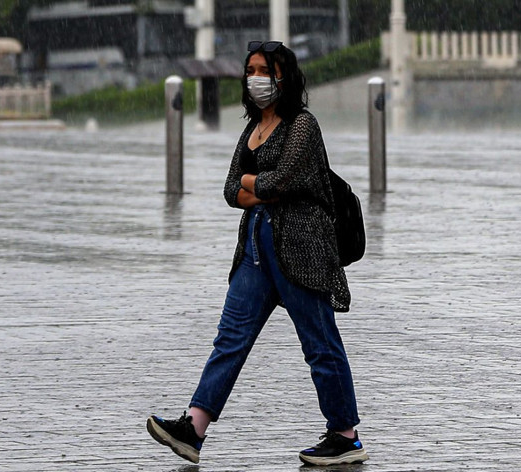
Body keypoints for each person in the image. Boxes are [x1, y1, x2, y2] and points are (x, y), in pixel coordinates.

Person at [146, 40, 368, 467]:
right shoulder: (252, 129)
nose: (256, 78)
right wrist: (256, 186)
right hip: (253, 249)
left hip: (300, 248)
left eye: (265, 70)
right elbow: (231, 190)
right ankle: (194, 428)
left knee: (319, 342)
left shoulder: (302, 125)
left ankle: (345, 436)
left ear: (284, 77)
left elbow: (279, 182)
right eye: (250, 70)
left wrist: (256, 183)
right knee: (230, 338)